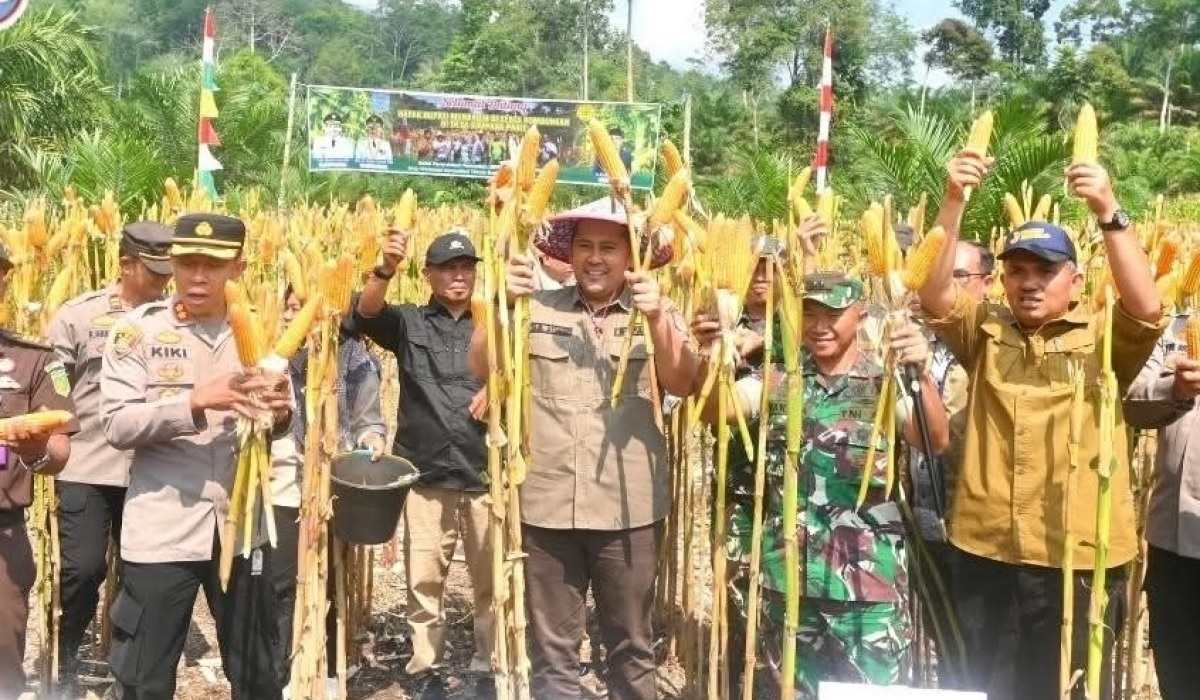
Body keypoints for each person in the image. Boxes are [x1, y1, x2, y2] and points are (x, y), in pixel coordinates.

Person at [916, 151, 1164, 700]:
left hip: (1079, 555)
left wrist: (1107, 207)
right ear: (1001, 279)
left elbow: (1147, 308)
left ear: (1075, 282)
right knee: (988, 686)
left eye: (1046, 271)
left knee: (1069, 688)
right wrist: (954, 200)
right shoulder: (982, 331)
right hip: (988, 550)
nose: (1029, 283)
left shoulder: (1103, 341)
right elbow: (930, 292)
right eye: (1017, 271)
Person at [468, 197, 704, 699]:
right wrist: (500, 306)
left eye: (609, 248)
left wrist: (658, 317)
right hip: (546, 508)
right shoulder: (535, 308)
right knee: (552, 654)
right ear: (570, 255)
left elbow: (683, 381)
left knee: (632, 649)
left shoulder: (659, 314)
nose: (596, 258)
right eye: (585, 247)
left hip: (628, 511)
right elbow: (481, 365)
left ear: (630, 257)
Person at [695, 270, 949, 698]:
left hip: (868, 585)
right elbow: (716, 411)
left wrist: (921, 374)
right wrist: (709, 356)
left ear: (860, 316)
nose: (819, 325)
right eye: (809, 313)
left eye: (833, 313)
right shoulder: (777, 380)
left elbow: (934, 438)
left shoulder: (885, 382)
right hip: (790, 579)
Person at [100, 213, 292, 700]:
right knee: (144, 677)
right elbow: (117, 424)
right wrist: (194, 401)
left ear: (239, 269)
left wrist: (280, 413)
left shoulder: (262, 331)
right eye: (186, 263)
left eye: (213, 264)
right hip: (163, 526)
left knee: (258, 674)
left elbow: (287, 423)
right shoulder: (137, 333)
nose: (198, 277)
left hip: (242, 522)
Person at [354, 229, 492, 700]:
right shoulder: (409, 322)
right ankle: (425, 667)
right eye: (448, 267)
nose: (459, 275)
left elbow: (527, 373)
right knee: (425, 579)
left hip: (485, 471)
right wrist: (385, 267)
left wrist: (502, 386)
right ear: (429, 274)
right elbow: (365, 312)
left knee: (492, 579)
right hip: (426, 473)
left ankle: (487, 665)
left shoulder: (496, 322)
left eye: (466, 266)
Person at [45, 221, 173, 694]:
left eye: (168, 270)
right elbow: (53, 380)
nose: (165, 280)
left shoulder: (176, 317)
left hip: (153, 467)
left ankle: (129, 668)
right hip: (88, 463)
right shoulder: (80, 316)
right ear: (125, 265)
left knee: (144, 577)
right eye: (154, 270)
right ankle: (63, 659)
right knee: (82, 568)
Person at [271, 288, 386, 699]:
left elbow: (369, 419)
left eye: (304, 308)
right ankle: (281, 673)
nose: (294, 316)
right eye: (289, 308)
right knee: (281, 581)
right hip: (281, 485)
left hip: (333, 486)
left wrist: (371, 440)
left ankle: (328, 670)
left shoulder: (353, 357)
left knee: (330, 580)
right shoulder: (272, 357)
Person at [907, 238, 994, 689]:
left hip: (973, 530)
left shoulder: (993, 347)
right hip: (918, 520)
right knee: (939, 638)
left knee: (977, 650)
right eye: (936, 277)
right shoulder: (908, 341)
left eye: (956, 277)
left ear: (987, 283)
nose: (941, 287)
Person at [0, 240, 79, 697]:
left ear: (5, 280)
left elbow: (59, 453)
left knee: (3, 656)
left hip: (2, 535)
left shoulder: (35, 360)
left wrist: (34, 452)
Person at [1122, 340, 1200, 699]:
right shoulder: (1165, 327)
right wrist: (1176, 388)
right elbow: (1131, 406)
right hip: (1170, 543)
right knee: (1179, 675)